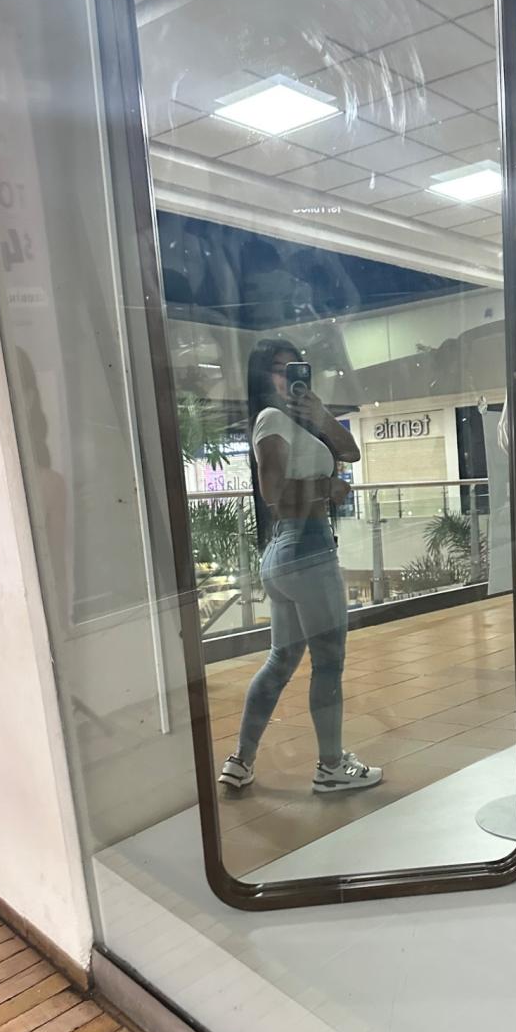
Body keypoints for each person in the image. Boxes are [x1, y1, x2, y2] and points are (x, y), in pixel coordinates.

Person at [220, 338, 382, 794]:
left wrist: (321, 415)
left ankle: (241, 762)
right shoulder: (270, 420)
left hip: (285, 554)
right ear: (261, 376)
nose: (288, 376)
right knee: (328, 663)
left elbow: (350, 452)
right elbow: (273, 494)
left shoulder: (296, 421)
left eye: (295, 367)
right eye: (278, 368)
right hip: (308, 550)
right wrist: (326, 490)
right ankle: (330, 767)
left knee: (281, 660)